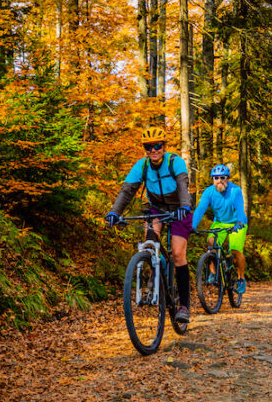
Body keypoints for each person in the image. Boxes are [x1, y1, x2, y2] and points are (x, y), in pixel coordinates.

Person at [105, 127, 194, 323]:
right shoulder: (142, 165)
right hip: (156, 208)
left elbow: (182, 185)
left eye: (157, 146)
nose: (153, 150)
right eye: (148, 147)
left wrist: (184, 207)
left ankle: (184, 306)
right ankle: (154, 274)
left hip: (180, 208)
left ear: (164, 146)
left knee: (178, 254)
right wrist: (114, 212)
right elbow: (127, 190)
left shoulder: (174, 162)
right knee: (150, 244)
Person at [190, 164, 249, 294]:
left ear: (227, 178)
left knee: (235, 250)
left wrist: (239, 221)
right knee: (211, 244)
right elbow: (200, 210)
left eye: (222, 177)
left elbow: (240, 207)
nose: (219, 180)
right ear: (212, 180)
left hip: (237, 223)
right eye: (216, 178)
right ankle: (213, 273)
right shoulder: (209, 192)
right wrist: (192, 226)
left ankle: (241, 279)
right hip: (220, 223)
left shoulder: (235, 191)